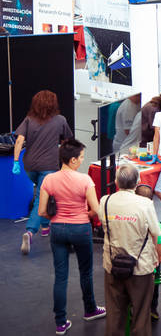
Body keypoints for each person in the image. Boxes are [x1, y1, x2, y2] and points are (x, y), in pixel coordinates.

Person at [38, 139, 105, 334]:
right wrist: (85, 215)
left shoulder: (49, 180)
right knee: (85, 272)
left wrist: (57, 217)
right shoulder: (85, 180)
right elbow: (96, 209)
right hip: (80, 229)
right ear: (73, 160)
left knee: (60, 277)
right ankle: (90, 309)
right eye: (82, 157)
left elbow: (42, 211)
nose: (83, 160)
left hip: (57, 230)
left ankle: (60, 322)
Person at [98, 164, 161, 336]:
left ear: (116, 181)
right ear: (138, 182)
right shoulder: (145, 204)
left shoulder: (105, 201)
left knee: (114, 314)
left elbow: (102, 223)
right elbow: (156, 232)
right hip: (140, 267)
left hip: (112, 264)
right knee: (141, 314)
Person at [13, 90, 73, 254]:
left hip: (29, 166)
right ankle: (30, 231)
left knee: (44, 194)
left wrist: (16, 161)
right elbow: (68, 140)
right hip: (50, 166)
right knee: (42, 198)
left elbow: (19, 140)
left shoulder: (28, 120)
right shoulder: (60, 120)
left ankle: (45, 227)